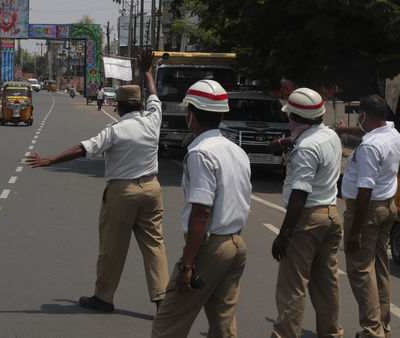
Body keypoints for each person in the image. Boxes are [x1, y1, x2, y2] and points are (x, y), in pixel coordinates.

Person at [26, 48, 169, 312]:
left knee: (112, 248)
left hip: (122, 192)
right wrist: (148, 71)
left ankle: (103, 297)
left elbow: (83, 148)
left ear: (118, 106)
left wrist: (50, 159)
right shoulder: (152, 120)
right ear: (139, 106)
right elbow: (155, 97)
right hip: (151, 188)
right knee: (154, 245)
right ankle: (162, 299)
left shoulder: (115, 130)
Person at [151, 80, 252, 337]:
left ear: (191, 114)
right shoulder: (236, 150)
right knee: (223, 324)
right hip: (236, 244)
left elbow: (202, 212)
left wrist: (187, 265)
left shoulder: (201, 153)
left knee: (167, 325)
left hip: (211, 248)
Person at [270, 88, 344, 338]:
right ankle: (332, 333)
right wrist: (283, 144)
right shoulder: (330, 136)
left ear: (295, 117)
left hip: (308, 217)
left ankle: (285, 334)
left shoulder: (306, 148)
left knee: (293, 285)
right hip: (331, 214)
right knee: (326, 284)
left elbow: (299, 194)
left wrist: (284, 233)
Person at [336, 95, 400, 338]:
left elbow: (364, 192)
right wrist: (345, 129)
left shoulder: (370, 148)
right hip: (386, 208)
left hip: (367, 211)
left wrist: (356, 230)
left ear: (363, 115)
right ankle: (383, 326)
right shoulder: (392, 135)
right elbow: (368, 133)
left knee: (361, 271)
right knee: (380, 269)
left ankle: (372, 331)